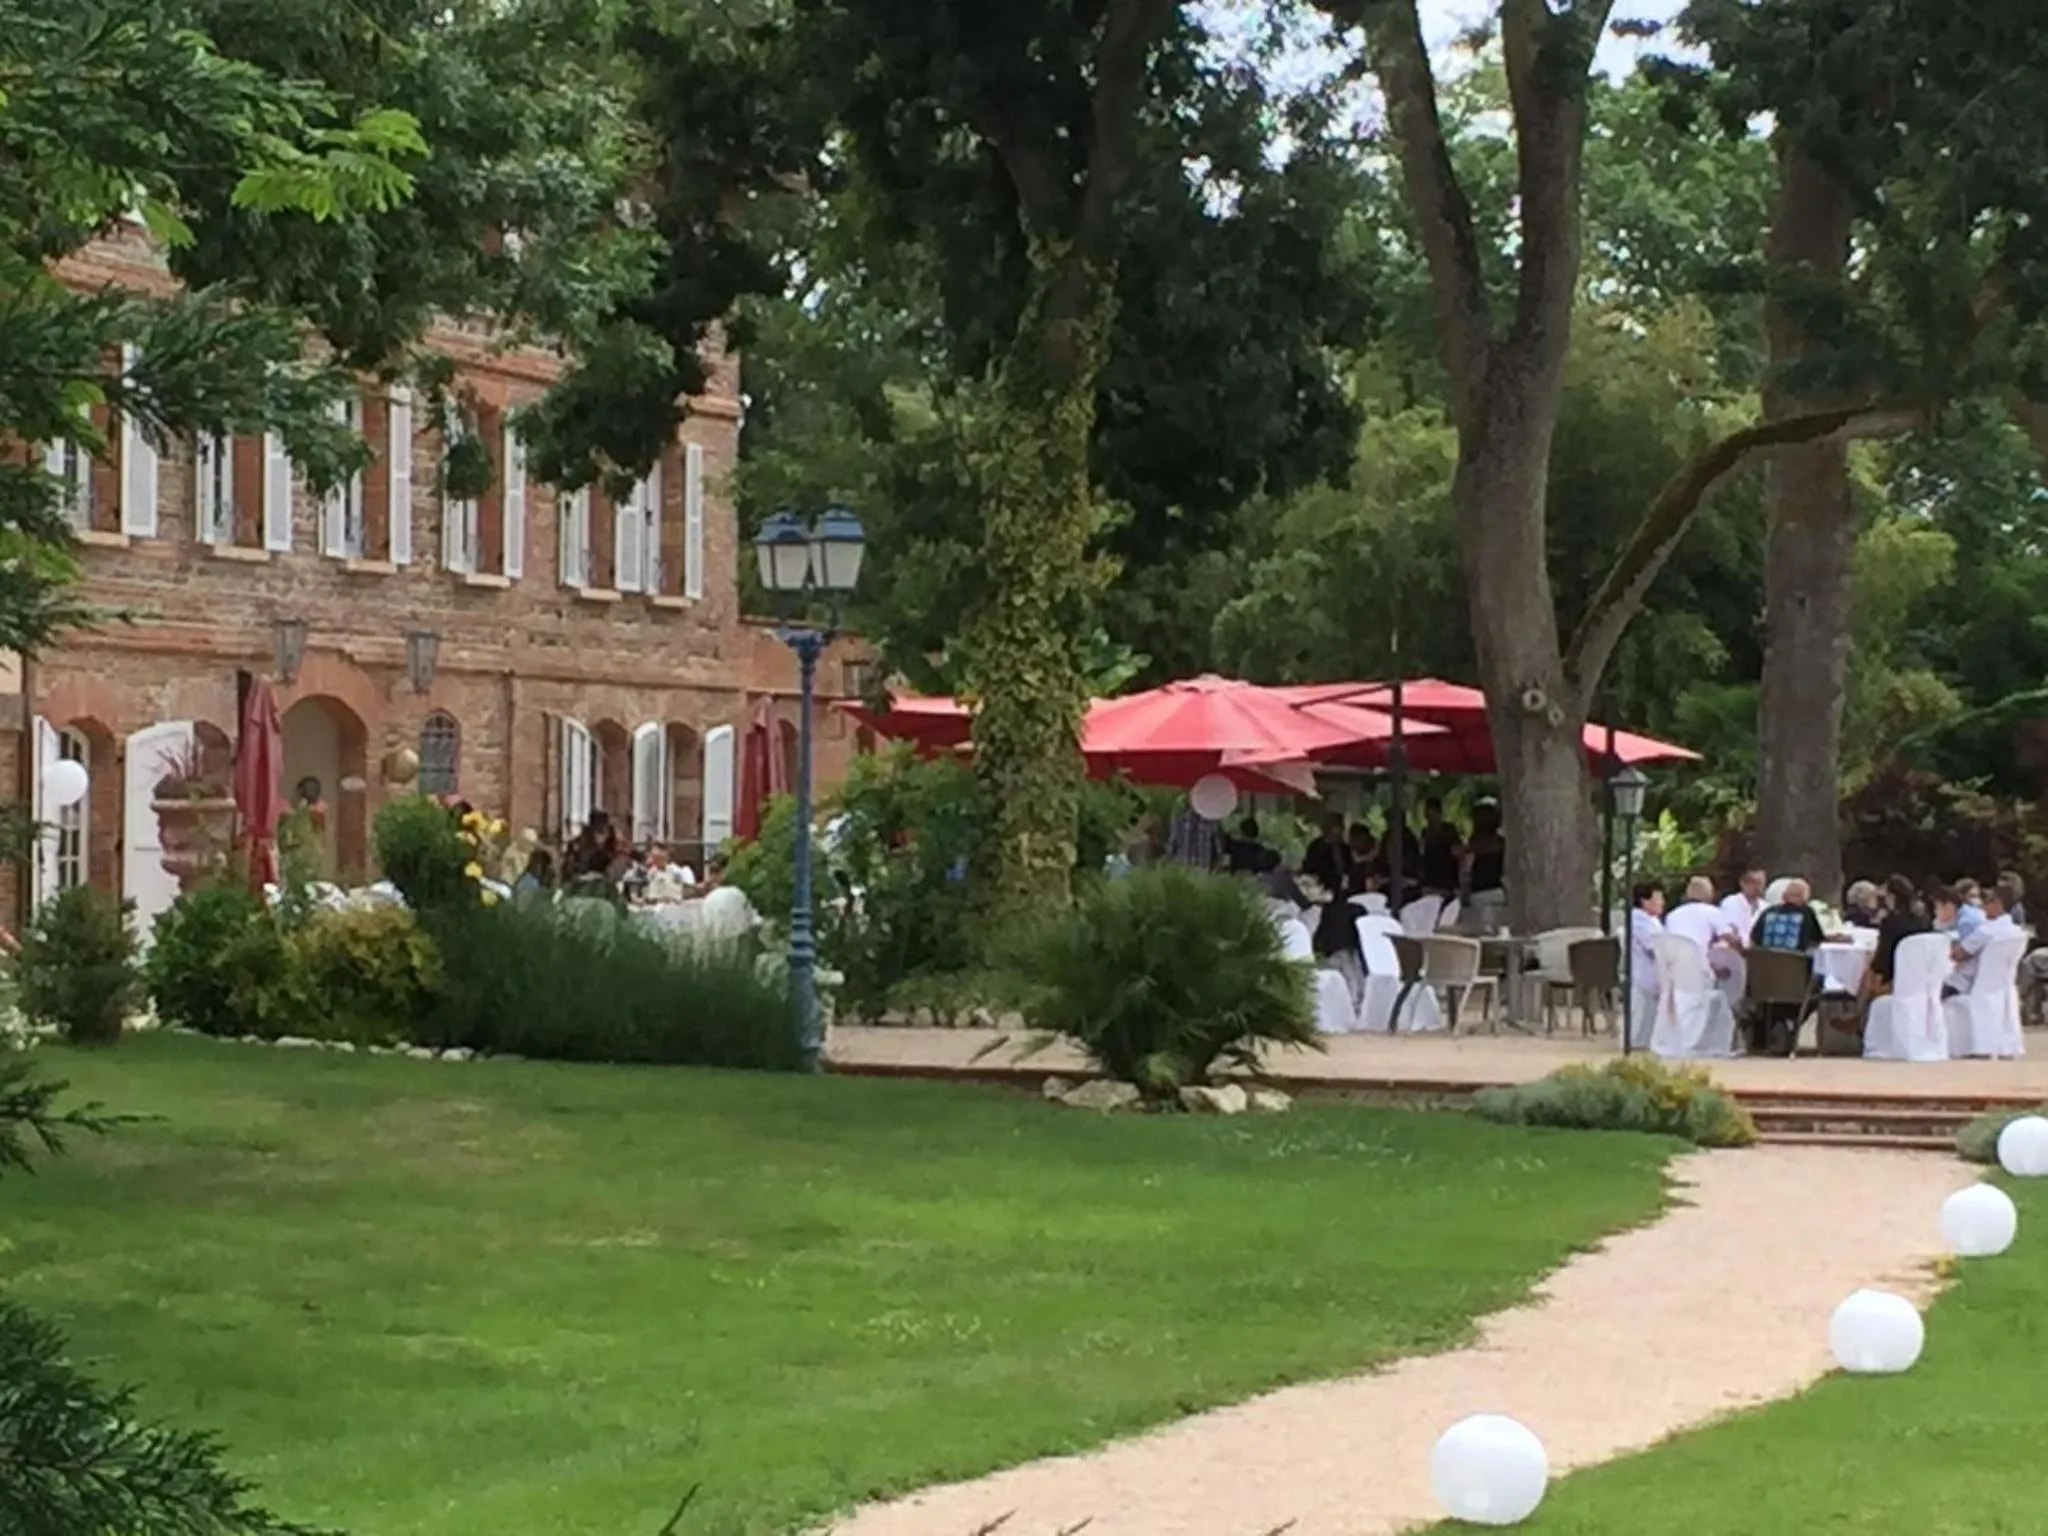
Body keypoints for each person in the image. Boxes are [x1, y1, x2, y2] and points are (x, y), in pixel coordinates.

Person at [1665, 874, 1744, 1011]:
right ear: (1708, 894)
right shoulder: (1711, 912)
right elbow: (1729, 938)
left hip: (1673, 967)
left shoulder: (1672, 914)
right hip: (1698, 968)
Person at [1950, 879, 2021, 997]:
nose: (1982, 905)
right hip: (2000, 988)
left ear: (1997, 904)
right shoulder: (2016, 932)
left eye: (1986, 901)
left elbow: (1957, 955)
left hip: (1968, 985)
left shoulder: (1985, 931)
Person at [1867, 874, 1930, 997]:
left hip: (1894, 979)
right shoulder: (1923, 920)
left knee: (1866, 973)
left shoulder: (1890, 922)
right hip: (1919, 977)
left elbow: (1881, 960)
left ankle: (1860, 1011)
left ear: (1891, 896)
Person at [1626, 880, 1666, 1049]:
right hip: (1644, 975)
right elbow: (1653, 947)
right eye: (1658, 898)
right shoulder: (1639, 920)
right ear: (1645, 901)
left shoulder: (1652, 920)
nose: (1662, 902)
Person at [1463, 800, 1506, 933]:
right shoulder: (1501, 842)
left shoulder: (1474, 843)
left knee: (1481, 928)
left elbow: (1467, 869)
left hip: (1478, 891)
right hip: (1497, 890)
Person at [1751, 878, 1825, 954]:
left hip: (1765, 961)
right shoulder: (1807, 913)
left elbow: (1754, 939)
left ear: (1784, 896)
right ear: (1804, 897)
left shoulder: (1768, 912)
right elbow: (1817, 941)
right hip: (1796, 963)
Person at [1418, 796, 1462, 896]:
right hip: (1430, 876)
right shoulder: (1425, 832)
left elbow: (1457, 851)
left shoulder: (1449, 830)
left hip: (1447, 876)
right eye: (1427, 814)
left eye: (1432, 813)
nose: (1430, 817)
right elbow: (1422, 852)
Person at [1302, 814, 1354, 897]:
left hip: (1343, 890)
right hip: (1322, 890)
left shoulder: (1345, 848)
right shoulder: (1316, 847)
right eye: (1338, 827)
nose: (1342, 830)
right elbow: (1311, 869)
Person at [1166, 797, 1224, 871]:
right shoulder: (1211, 820)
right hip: (1202, 867)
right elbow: (1218, 849)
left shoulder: (1180, 819)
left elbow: (1172, 844)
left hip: (1183, 867)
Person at [1718, 868, 1766, 942]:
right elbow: (1724, 929)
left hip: (1757, 950)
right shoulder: (1730, 902)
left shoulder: (1766, 907)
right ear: (1742, 883)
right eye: (1753, 882)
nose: (1757, 887)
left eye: (1760, 883)